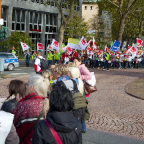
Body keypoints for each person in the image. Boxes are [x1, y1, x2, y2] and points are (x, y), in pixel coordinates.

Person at [12, 74, 49, 144]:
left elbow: (12, 124)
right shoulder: (48, 103)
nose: (26, 86)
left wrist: (18, 104)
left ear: (31, 88)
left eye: (27, 84)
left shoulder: (24, 105)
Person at [74, 57, 92, 133]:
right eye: (73, 62)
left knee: (81, 109)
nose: (74, 63)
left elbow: (89, 76)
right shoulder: (76, 68)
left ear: (80, 62)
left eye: (75, 62)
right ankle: (81, 127)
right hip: (79, 90)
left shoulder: (82, 67)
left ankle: (83, 128)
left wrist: (80, 77)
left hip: (83, 90)